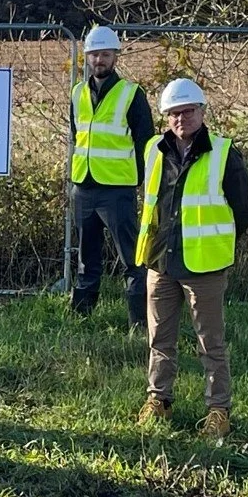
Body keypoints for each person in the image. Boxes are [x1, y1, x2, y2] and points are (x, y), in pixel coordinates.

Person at [133, 78, 248, 439]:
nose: (181, 118)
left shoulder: (223, 153)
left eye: (187, 111)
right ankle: (158, 400)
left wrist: (216, 244)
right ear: (165, 117)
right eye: (173, 113)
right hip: (160, 260)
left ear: (202, 111)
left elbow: (244, 210)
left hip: (204, 265)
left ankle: (218, 410)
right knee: (160, 338)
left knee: (210, 342)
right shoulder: (154, 150)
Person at [68, 25, 154, 328]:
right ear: (87, 57)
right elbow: (76, 136)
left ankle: (139, 323)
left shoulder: (131, 94)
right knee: (86, 258)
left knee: (132, 259)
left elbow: (147, 143)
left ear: (115, 56)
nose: (98, 60)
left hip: (117, 189)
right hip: (84, 186)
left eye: (105, 54)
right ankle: (81, 317)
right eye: (93, 54)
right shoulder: (78, 93)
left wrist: (139, 180)